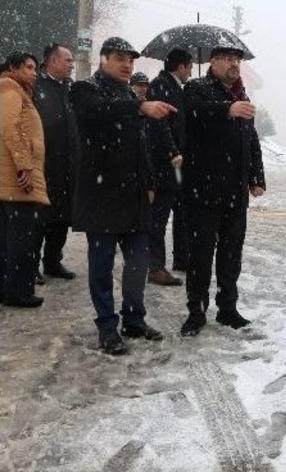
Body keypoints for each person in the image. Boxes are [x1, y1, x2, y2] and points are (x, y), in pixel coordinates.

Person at [71, 37, 177, 354]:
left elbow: (139, 145)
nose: (127, 65)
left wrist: (149, 182)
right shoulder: (85, 89)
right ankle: (107, 326)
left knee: (137, 261)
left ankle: (135, 319)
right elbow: (100, 112)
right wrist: (141, 106)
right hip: (101, 194)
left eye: (130, 60)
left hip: (133, 196)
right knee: (102, 266)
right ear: (103, 59)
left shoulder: (127, 94)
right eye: (119, 58)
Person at [179, 47, 265, 337]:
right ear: (212, 62)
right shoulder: (197, 89)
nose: (234, 65)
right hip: (203, 188)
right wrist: (226, 109)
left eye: (237, 60)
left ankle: (227, 308)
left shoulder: (242, 95)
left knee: (231, 254)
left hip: (235, 191)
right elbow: (191, 113)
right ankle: (196, 310)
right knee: (200, 254)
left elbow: (251, 140)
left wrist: (256, 176)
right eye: (228, 59)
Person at [0, 52, 50, 308]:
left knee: (10, 240)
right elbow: (9, 129)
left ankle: (10, 289)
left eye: (35, 68)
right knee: (21, 241)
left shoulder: (15, 92)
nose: (34, 72)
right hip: (18, 181)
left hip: (10, 181)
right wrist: (25, 165)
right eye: (29, 67)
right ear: (13, 68)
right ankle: (17, 292)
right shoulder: (11, 92)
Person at [146, 48, 193, 287]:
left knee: (181, 211)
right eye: (190, 67)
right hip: (164, 162)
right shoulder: (160, 86)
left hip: (177, 162)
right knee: (159, 216)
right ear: (181, 66)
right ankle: (155, 267)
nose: (191, 72)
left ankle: (181, 258)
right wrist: (172, 150)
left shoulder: (174, 87)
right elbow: (160, 124)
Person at [32, 43, 79, 282]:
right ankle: (30, 266)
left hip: (68, 165)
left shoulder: (71, 89)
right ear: (52, 62)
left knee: (62, 217)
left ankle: (53, 261)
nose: (72, 64)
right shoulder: (35, 87)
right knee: (39, 218)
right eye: (68, 60)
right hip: (44, 163)